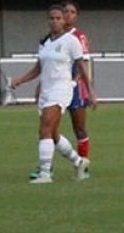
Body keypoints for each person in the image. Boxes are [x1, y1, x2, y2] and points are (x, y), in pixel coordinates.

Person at [10, 4, 93, 184]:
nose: (55, 21)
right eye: (52, 18)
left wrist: (90, 92)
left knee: (45, 129)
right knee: (53, 133)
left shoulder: (72, 41)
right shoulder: (46, 43)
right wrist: (21, 80)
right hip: (46, 91)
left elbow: (81, 67)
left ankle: (45, 173)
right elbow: (38, 68)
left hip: (61, 89)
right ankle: (79, 162)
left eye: (58, 18)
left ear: (64, 20)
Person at [63, 1, 93, 178]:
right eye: (65, 11)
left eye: (72, 12)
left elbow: (84, 64)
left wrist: (85, 86)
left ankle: (83, 165)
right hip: (57, 86)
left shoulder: (79, 37)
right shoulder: (53, 37)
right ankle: (46, 167)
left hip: (76, 88)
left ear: (76, 16)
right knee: (49, 129)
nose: (68, 15)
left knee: (79, 129)